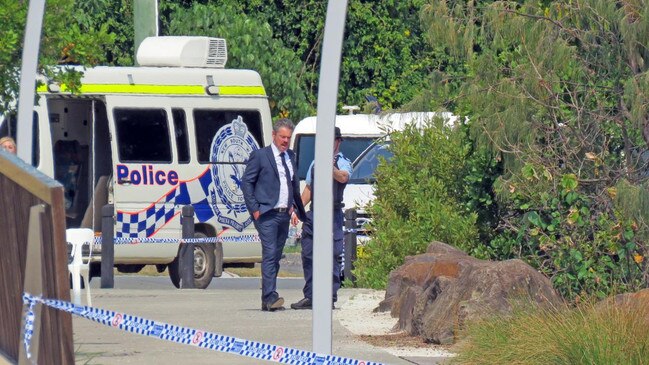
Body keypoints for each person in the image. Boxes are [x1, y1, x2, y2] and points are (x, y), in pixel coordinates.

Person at [242, 118, 306, 312]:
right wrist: (255, 209)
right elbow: (247, 183)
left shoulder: (290, 156)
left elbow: (292, 185)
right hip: (266, 214)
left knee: (276, 256)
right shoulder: (261, 156)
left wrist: (294, 207)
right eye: (282, 137)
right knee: (269, 254)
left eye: (288, 137)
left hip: (283, 215)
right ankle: (271, 297)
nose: (285, 141)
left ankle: (267, 298)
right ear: (274, 136)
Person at [290, 126, 352, 310]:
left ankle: (329, 297)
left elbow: (343, 177)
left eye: (331, 140)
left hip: (332, 214)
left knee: (332, 256)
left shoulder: (344, 162)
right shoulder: (315, 163)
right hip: (314, 214)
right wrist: (297, 209)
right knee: (308, 255)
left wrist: (329, 166)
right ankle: (310, 296)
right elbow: (308, 189)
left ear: (338, 142)